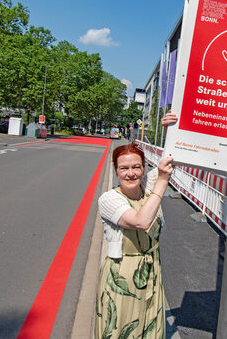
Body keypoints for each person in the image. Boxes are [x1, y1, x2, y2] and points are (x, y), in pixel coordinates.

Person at [95, 143, 174, 339]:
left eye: (136, 167)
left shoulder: (147, 186)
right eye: (124, 168)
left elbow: (172, 159)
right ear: (115, 171)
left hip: (152, 270)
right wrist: (163, 182)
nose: (131, 173)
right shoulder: (109, 199)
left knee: (150, 329)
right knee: (122, 329)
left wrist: (169, 127)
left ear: (144, 168)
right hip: (123, 273)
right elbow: (141, 221)